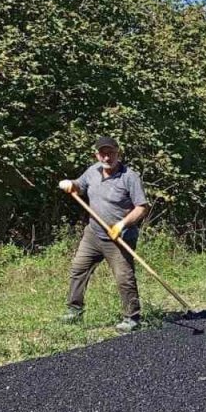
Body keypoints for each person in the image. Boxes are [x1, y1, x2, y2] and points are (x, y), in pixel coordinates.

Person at [57, 137, 150, 333]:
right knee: (78, 269)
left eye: (111, 153)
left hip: (119, 238)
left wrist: (122, 224)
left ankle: (132, 318)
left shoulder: (129, 177)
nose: (107, 157)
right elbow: (78, 186)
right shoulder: (93, 171)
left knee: (124, 277)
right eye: (103, 153)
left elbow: (142, 208)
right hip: (93, 234)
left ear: (118, 153)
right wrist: (69, 184)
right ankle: (74, 311)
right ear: (97, 154)